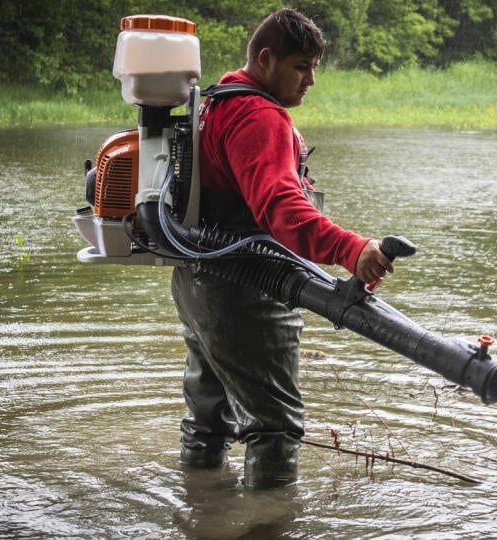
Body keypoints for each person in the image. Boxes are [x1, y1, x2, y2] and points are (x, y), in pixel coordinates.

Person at [170, 8, 395, 489]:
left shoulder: (217, 101)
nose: (311, 79)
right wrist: (352, 249)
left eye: (315, 67)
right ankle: (268, 524)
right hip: (246, 291)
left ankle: (201, 510)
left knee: (207, 421)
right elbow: (282, 209)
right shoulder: (260, 117)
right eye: (301, 66)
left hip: (196, 278)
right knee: (276, 428)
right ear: (266, 59)